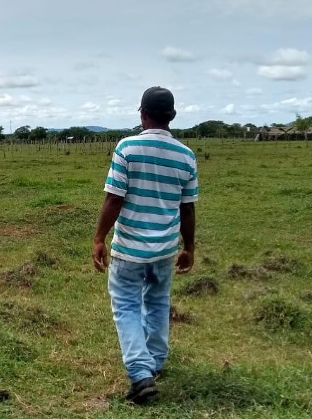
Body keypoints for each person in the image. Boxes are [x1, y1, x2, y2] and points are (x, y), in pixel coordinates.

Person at [92, 86, 198, 405]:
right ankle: (156, 361)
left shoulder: (127, 148)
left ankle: (140, 374)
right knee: (157, 302)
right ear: (173, 117)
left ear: (142, 113)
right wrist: (188, 247)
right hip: (165, 250)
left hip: (129, 250)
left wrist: (99, 238)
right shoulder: (186, 155)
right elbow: (188, 207)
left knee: (125, 305)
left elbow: (114, 198)